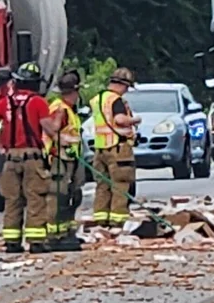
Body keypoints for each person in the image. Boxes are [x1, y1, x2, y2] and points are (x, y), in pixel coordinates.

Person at [0, 62, 59, 254]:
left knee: (12, 200)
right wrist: (61, 139)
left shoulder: (6, 102)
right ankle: (36, 241)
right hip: (32, 157)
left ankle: (12, 242)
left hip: (10, 158)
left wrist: (0, 148)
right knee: (36, 197)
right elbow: (48, 128)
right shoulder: (38, 102)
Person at [89, 67, 141, 228]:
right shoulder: (116, 100)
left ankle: (101, 219)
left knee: (102, 186)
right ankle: (118, 222)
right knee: (121, 185)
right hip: (117, 149)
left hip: (100, 149)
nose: (126, 91)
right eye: (126, 87)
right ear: (122, 84)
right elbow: (119, 120)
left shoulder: (97, 99)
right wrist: (135, 120)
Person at [44, 70, 85, 251]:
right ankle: (54, 236)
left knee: (71, 196)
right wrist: (64, 142)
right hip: (59, 159)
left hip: (70, 159)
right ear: (73, 92)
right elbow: (52, 131)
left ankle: (66, 232)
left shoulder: (68, 109)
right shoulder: (60, 109)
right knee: (57, 198)